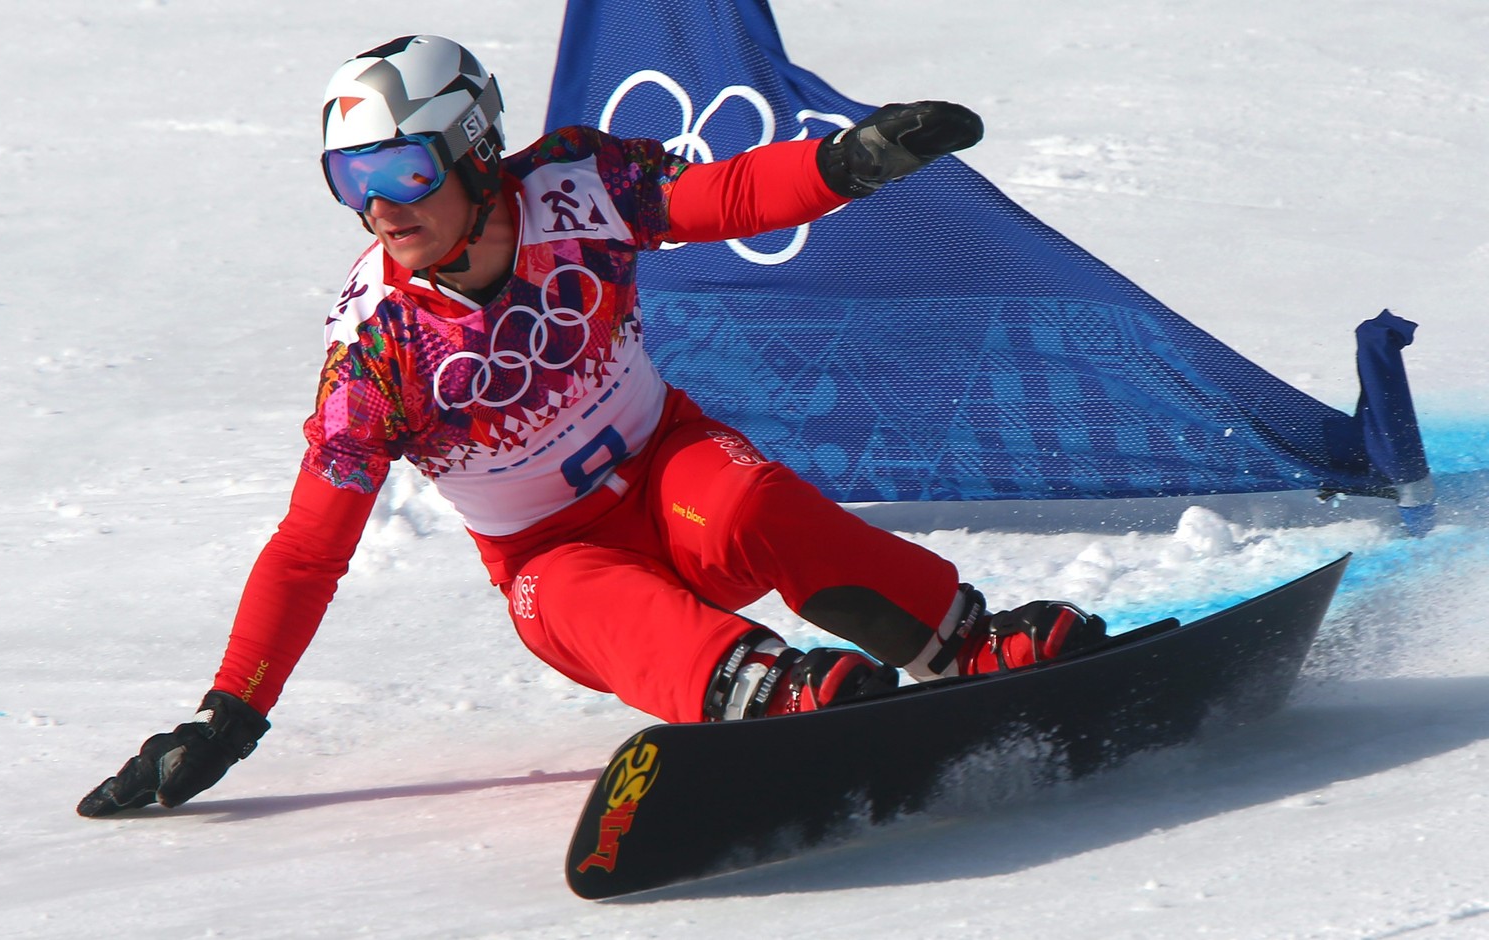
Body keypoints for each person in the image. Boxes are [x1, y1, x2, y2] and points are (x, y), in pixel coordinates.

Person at [78, 35, 1105, 818]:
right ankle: (763, 694)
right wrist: (230, 716)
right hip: (554, 558)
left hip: (670, 471)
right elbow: (309, 551)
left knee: (744, 496)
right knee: (573, 589)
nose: (382, 210)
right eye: (353, 182)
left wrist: (850, 162)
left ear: (477, 153)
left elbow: (722, 196)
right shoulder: (377, 351)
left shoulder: (576, 185)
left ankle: (960, 639)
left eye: (404, 173)